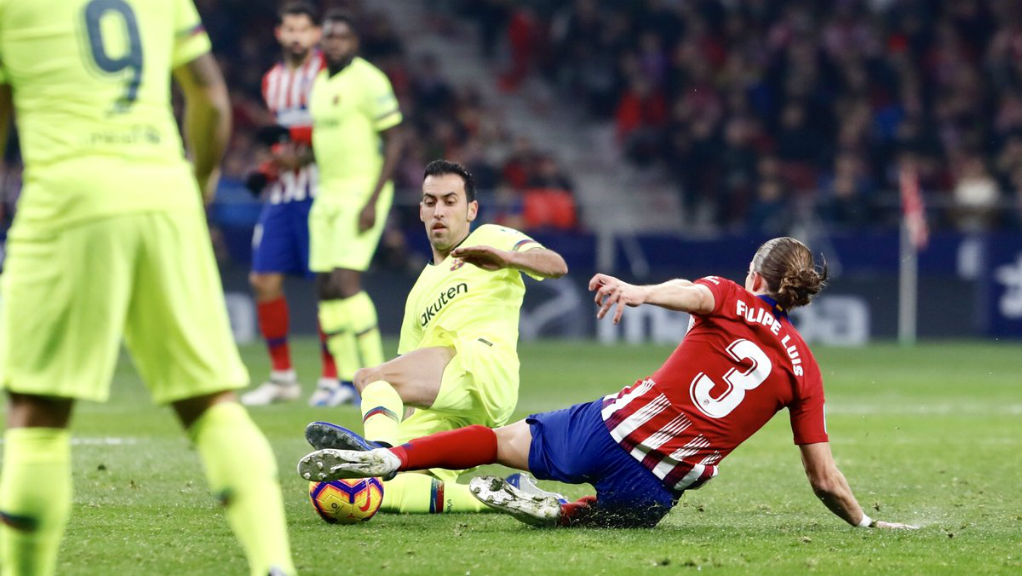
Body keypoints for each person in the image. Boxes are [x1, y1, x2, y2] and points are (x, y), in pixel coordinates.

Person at [299, 237, 917, 531]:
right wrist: (864, 523)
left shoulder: (728, 297)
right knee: (608, 517)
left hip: (609, 430)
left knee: (495, 440)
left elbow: (693, 293)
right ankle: (563, 512)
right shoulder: (805, 370)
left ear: (754, 272)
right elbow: (823, 479)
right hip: (658, 488)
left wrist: (639, 292)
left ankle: (390, 456)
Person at [0, 1, 295, 575]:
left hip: (69, 193)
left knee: (37, 411)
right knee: (211, 404)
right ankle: (274, 566)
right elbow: (209, 97)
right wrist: (199, 183)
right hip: (166, 191)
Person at [304, 159, 568, 514]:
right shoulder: (418, 293)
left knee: (370, 377)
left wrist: (505, 259)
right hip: (453, 405)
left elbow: (556, 265)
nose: (439, 210)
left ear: (471, 209)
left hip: (483, 365)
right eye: (430, 202)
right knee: (380, 488)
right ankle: (506, 495)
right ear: (421, 212)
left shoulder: (490, 237)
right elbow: (409, 386)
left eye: (450, 200)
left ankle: (377, 452)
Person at [239, 1, 352, 407]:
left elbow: (333, 130)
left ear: (316, 34)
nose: (296, 36)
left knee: (327, 286)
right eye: (290, 29)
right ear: (279, 33)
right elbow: (278, 138)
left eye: (304, 29)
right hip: (282, 193)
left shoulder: (329, 73)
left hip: (321, 190)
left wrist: (294, 148)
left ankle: (332, 378)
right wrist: (268, 166)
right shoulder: (272, 81)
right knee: (262, 280)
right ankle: (282, 377)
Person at [307, 10, 403, 405]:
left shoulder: (369, 80)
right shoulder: (318, 81)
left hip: (360, 192)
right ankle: (347, 380)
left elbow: (395, 139)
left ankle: (378, 374)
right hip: (326, 194)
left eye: (343, 37)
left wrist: (372, 198)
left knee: (347, 282)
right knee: (327, 288)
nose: (335, 44)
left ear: (355, 42)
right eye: (329, 37)